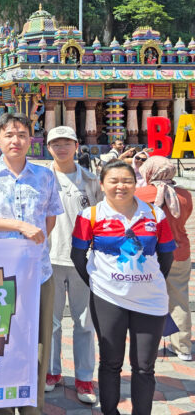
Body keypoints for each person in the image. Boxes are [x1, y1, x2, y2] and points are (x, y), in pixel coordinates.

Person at [0, 113, 64, 415]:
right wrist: (19, 227)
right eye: (9, 134)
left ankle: (32, 405)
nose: (16, 140)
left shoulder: (45, 175)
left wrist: (31, 248)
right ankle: (2, 407)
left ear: (30, 140)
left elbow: (50, 218)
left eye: (22, 134)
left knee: (38, 343)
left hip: (38, 273)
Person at [71, 160, 175, 415]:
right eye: (113, 181)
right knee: (110, 362)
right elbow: (78, 256)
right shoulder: (90, 215)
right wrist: (99, 283)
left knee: (144, 367)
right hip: (108, 298)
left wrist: (147, 281)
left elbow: (167, 256)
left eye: (127, 180)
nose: (121, 186)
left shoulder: (155, 214)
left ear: (135, 183)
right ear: (102, 184)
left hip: (150, 300)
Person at [44, 126, 102, 403]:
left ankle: (84, 378)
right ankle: (52, 372)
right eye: (56, 143)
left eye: (67, 142)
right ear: (48, 148)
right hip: (49, 258)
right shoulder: (41, 179)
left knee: (84, 322)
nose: (62, 148)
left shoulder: (90, 180)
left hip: (83, 261)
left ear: (76, 146)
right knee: (51, 322)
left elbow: (103, 216)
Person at [136, 156, 194, 361]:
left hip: (150, 255)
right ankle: (183, 347)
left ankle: (147, 344)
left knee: (146, 300)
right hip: (180, 251)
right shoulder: (185, 195)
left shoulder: (140, 194)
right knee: (179, 299)